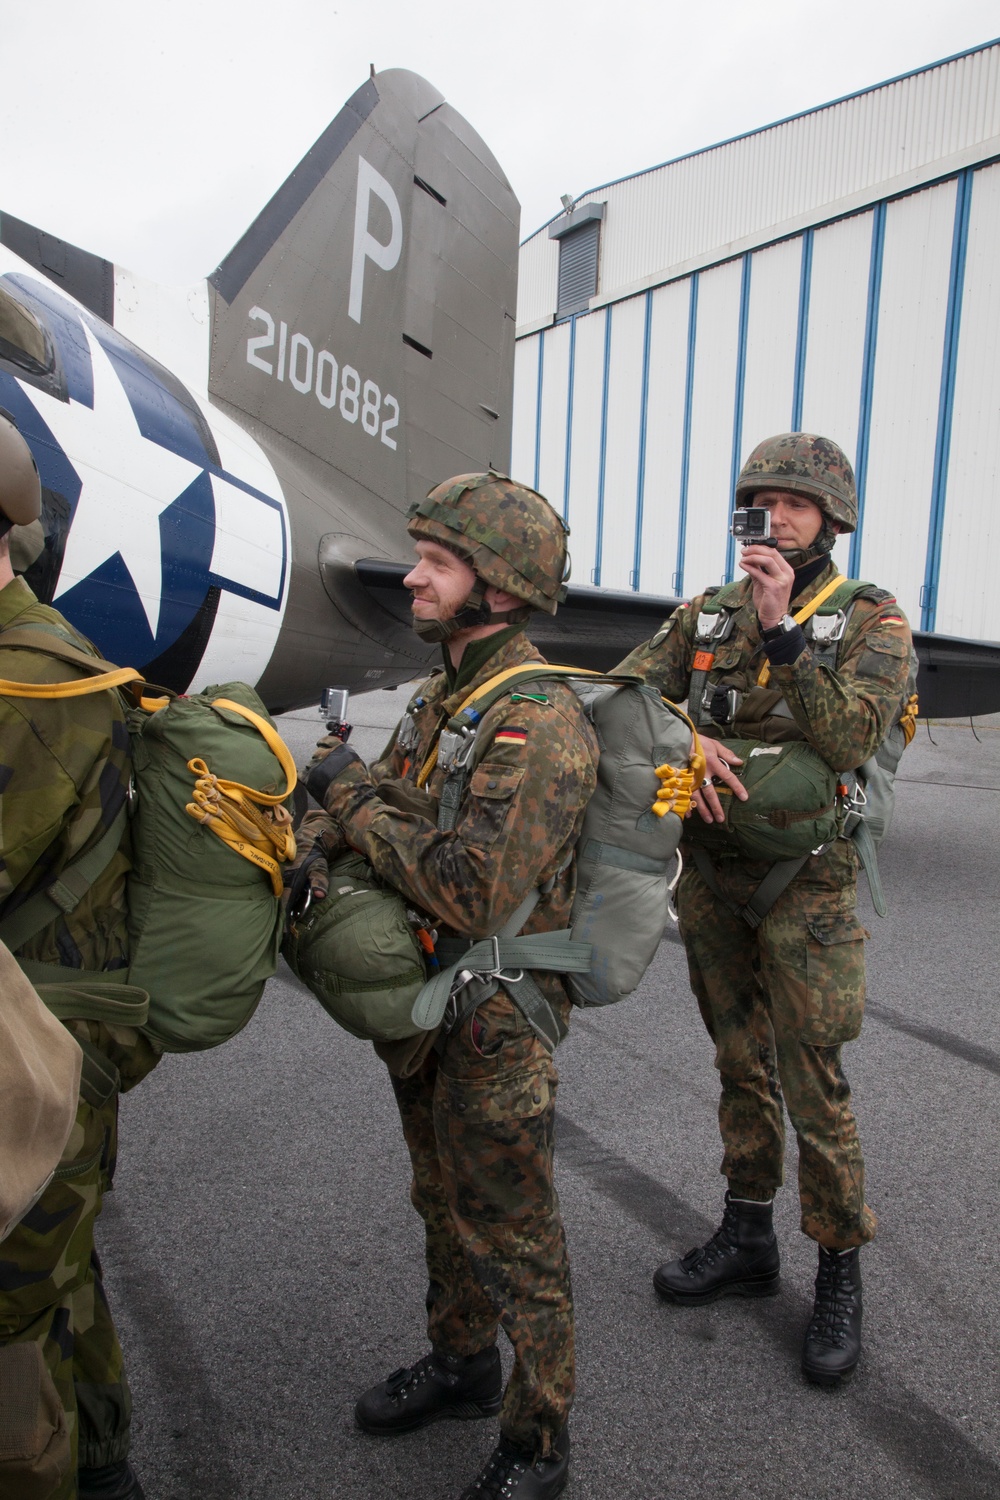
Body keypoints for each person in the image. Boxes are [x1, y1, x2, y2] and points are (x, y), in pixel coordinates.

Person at [302, 471, 598, 1499]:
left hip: (496, 1023)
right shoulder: (444, 698)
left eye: (437, 562)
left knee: (514, 1232)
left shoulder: (537, 722)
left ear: (500, 591)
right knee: (440, 1200)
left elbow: (471, 888)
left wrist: (349, 805)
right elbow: (384, 800)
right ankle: (465, 1365)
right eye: (418, 555)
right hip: (431, 1007)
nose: (413, 578)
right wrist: (340, 810)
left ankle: (537, 1441)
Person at [616, 432, 913, 1386]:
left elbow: (849, 737)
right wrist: (685, 745)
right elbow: (622, 698)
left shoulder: (872, 619)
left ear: (831, 518)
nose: (776, 516)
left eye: (795, 503)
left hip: (809, 885)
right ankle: (747, 1237)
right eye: (762, 501)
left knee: (812, 1075)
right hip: (711, 878)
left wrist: (786, 631)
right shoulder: (703, 615)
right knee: (739, 1062)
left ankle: (837, 1266)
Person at [0, 410, 156, 1500]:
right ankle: (105, 1466)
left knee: (10, 1325)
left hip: (38, 1052)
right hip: (57, 1033)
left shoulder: (28, 683)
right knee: (64, 1273)